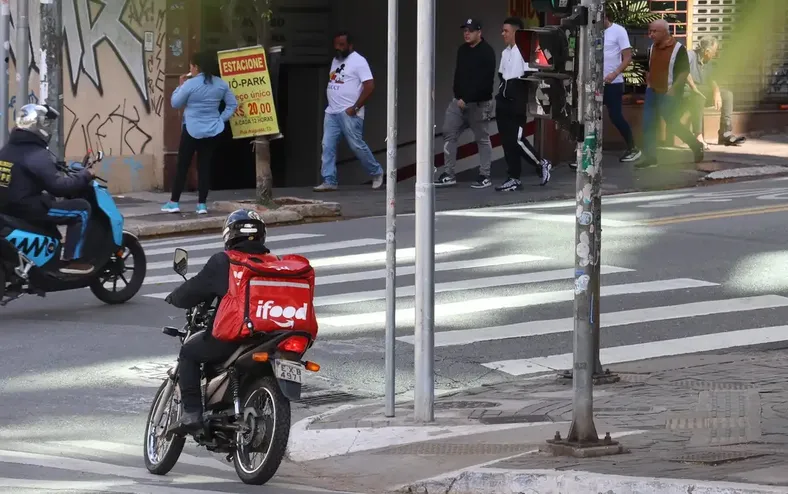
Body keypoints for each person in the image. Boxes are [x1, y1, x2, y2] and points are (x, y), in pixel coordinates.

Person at [165, 209, 269, 432]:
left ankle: (192, 413)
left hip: (235, 335)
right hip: (269, 335)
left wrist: (174, 297)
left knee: (189, 352)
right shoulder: (273, 263)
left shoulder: (224, 261)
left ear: (229, 236)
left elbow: (194, 289)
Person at [0, 103, 95, 275]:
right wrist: (84, 176)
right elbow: (58, 187)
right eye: (45, 123)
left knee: (48, 200)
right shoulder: (35, 153)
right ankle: (73, 260)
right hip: (27, 209)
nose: (47, 128)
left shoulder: (8, 149)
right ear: (36, 125)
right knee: (82, 209)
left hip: (8, 207)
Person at [162, 51, 238, 215]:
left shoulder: (190, 84)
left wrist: (180, 86)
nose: (191, 68)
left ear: (196, 67)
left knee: (183, 165)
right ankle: (201, 205)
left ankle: (174, 202)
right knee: (204, 167)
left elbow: (175, 103)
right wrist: (220, 119)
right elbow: (232, 105)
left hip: (191, 129)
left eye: (191, 65)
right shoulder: (221, 84)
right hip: (212, 130)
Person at [314, 31, 384, 192]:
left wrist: (355, 107)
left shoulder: (359, 61)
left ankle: (376, 172)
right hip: (332, 112)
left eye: (342, 45)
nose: (338, 48)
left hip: (349, 112)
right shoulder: (335, 60)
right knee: (327, 145)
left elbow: (369, 86)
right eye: (336, 45)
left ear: (350, 45)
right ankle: (329, 180)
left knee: (357, 146)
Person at [434, 18, 497, 189]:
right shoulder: (462, 50)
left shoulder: (487, 52)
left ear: (479, 32)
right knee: (448, 132)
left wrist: (467, 98)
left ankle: (485, 175)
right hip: (459, 102)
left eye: (470, 30)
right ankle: (449, 173)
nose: (466, 33)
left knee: (482, 139)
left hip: (479, 103)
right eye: (465, 31)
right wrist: (458, 96)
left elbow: (485, 83)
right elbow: (458, 75)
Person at [495, 16, 552, 192]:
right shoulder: (505, 53)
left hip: (517, 100)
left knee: (517, 139)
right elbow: (501, 76)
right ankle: (513, 178)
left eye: (506, 31)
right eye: (503, 30)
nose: (502, 33)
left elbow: (532, 76)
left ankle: (541, 163)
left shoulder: (525, 51)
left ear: (516, 33)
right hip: (503, 100)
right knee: (507, 141)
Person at [638, 19, 703, 168]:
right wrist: (648, 84)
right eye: (650, 31)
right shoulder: (651, 48)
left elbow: (684, 71)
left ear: (665, 32)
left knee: (672, 124)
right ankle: (650, 158)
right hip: (652, 91)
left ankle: (695, 144)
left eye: (655, 31)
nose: (651, 35)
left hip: (669, 92)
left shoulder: (678, 49)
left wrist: (674, 89)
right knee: (648, 124)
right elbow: (649, 67)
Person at [684, 36, 746, 149]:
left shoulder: (708, 61)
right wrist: (694, 88)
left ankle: (725, 134)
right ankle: (698, 137)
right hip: (688, 92)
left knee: (727, 95)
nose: (716, 54)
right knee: (699, 96)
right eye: (715, 51)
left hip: (701, 92)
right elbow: (684, 71)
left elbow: (712, 79)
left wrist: (716, 92)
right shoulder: (690, 55)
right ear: (707, 51)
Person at [603, 11, 641, 162]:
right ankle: (585, 153)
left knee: (615, 116)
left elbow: (627, 57)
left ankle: (633, 147)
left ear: (605, 16)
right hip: (593, 82)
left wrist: (615, 73)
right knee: (587, 117)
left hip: (613, 82)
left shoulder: (618, 31)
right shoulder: (589, 31)